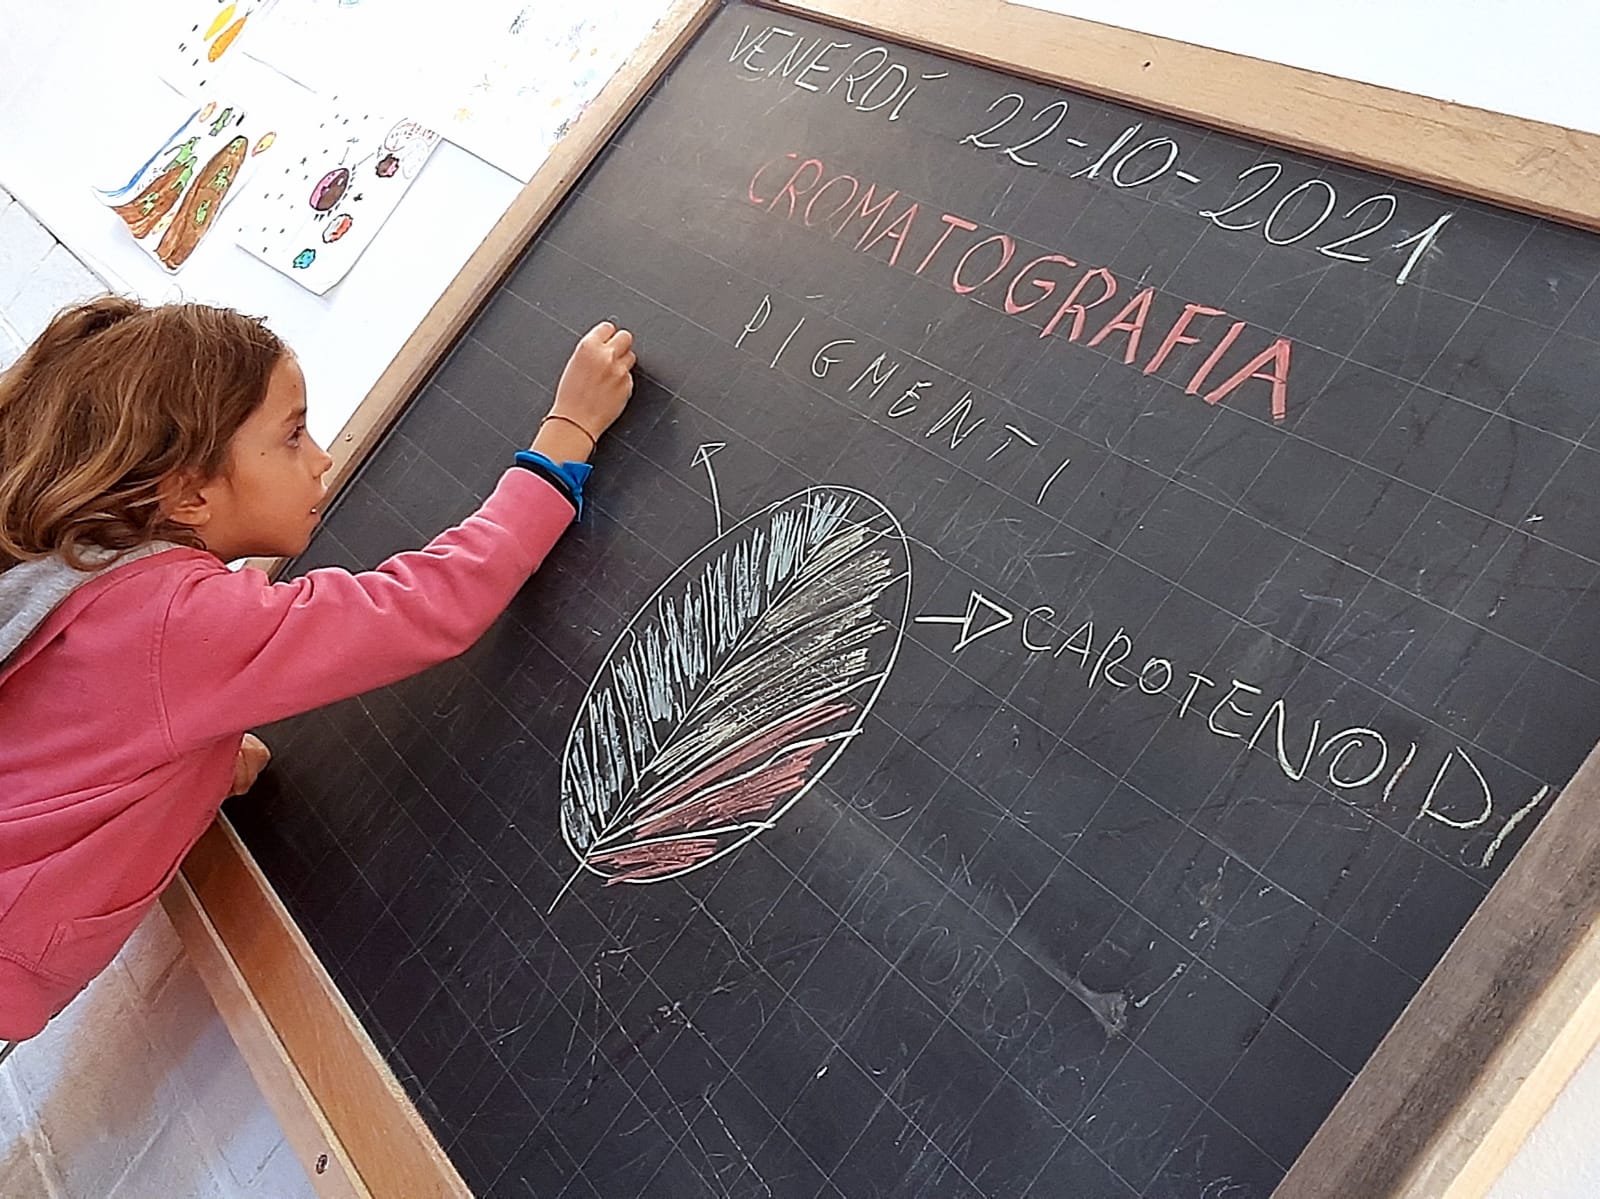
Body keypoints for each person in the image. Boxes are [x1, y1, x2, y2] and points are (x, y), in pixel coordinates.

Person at [0, 296, 634, 1044]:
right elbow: (429, 604)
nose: (321, 457)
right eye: (292, 435)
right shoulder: (177, 621)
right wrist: (567, 435)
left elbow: (80, 733)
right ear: (189, 492)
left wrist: (200, 763)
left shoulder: (77, 574)